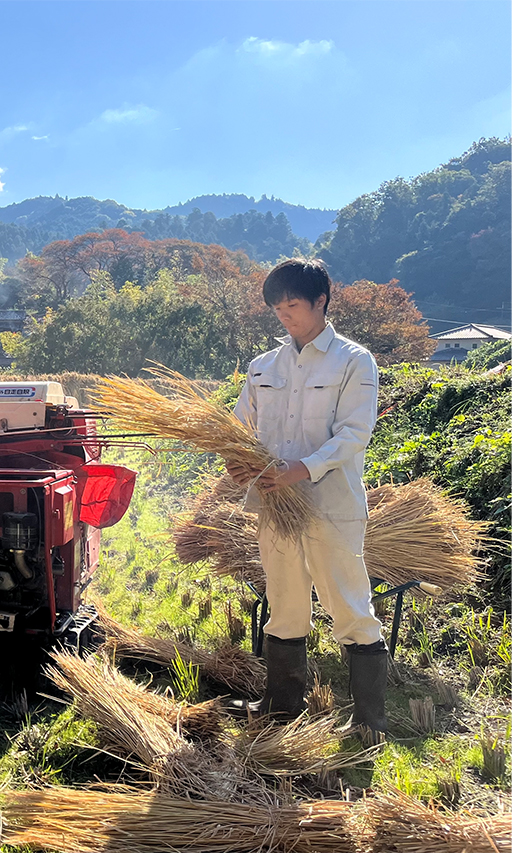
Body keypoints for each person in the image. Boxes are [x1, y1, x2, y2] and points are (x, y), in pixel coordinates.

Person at [226, 258, 388, 739]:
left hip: (330, 505)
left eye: (292, 304)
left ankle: (369, 720)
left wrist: (300, 469)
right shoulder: (263, 367)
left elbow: (355, 433)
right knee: (284, 602)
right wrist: (237, 460)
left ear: (321, 301)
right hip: (275, 506)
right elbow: (240, 428)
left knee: (349, 605)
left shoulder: (353, 361)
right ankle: (281, 707)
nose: (284, 314)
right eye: (277, 306)